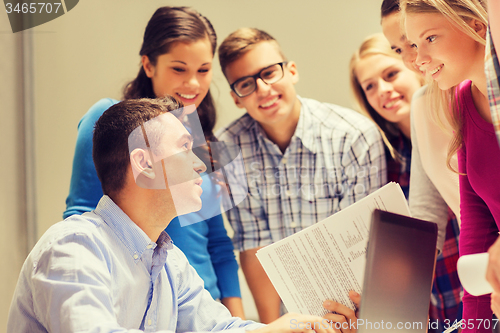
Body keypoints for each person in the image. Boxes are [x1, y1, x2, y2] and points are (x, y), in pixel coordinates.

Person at [7, 97, 340, 333]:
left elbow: (219, 329)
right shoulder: (73, 246)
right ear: (144, 163)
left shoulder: (170, 261)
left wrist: (287, 328)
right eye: (184, 147)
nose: (199, 164)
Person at [63, 6, 244, 317]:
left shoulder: (202, 140)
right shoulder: (108, 121)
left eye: (203, 70)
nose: (193, 84)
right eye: (179, 69)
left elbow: (217, 243)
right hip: (139, 308)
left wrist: (235, 320)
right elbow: (79, 214)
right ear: (148, 64)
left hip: (202, 311)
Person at [216, 27, 387, 323]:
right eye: (246, 84)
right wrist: (274, 329)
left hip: (358, 310)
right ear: (236, 99)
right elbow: (253, 244)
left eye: (269, 72)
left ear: (291, 71)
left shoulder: (354, 136)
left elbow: (365, 244)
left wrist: (356, 321)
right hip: (287, 318)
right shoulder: (228, 150)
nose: (263, 89)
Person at [402, 1, 498, 332]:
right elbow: (476, 231)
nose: (419, 59)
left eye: (430, 38)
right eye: (415, 45)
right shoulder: (461, 101)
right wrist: (476, 326)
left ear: (477, 26)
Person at [380, 1, 463, 331]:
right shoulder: (423, 103)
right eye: (400, 48)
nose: (413, 58)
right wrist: (404, 286)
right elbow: (426, 206)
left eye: (415, 41)